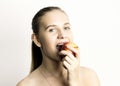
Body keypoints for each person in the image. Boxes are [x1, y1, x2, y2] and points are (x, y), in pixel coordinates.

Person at [17, 6, 100, 86]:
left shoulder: (90, 76)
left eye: (66, 28)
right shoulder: (26, 85)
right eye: (52, 30)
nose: (62, 35)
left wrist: (74, 82)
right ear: (37, 40)